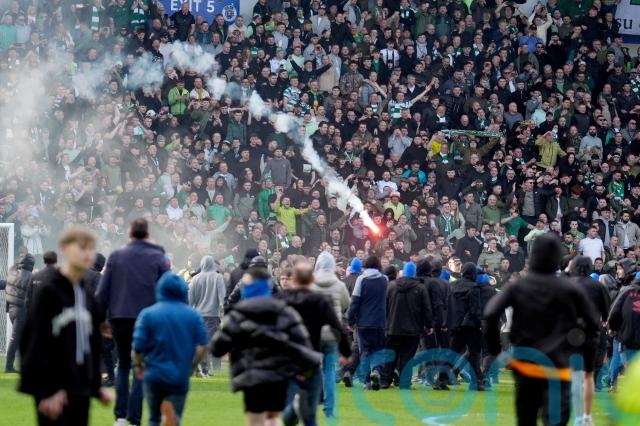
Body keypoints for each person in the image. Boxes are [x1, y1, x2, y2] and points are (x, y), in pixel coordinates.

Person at [484, 234, 601, 426]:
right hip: (558, 367)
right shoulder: (570, 289)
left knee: (526, 419)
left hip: (526, 367)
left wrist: (497, 352)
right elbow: (592, 324)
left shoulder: (518, 286)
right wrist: (584, 356)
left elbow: (490, 314)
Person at [18, 227, 112, 426]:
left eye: (91, 249)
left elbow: (92, 343)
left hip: (80, 387)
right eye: (82, 248)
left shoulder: (85, 292)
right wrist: (46, 391)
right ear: (65, 249)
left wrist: (95, 386)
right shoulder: (49, 289)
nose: (88, 254)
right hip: (53, 390)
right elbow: (32, 342)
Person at [211, 258, 322, 426]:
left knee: (255, 418)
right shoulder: (284, 311)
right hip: (278, 373)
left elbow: (217, 348)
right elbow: (302, 341)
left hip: (251, 374)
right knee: (273, 416)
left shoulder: (238, 315)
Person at [96, 218, 169, 426]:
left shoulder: (116, 256)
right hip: (148, 318)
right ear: (147, 234)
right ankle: (134, 418)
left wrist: (101, 320)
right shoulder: (158, 256)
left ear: (130, 234)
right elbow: (167, 287)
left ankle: (120, 416)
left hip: (120, 317)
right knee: (140, 366)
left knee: (123, 365)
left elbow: (102, 292)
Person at [278, 258, 351, 425]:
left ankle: (295, 407)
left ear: (294, 279)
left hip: (290, 359)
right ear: (311, 279)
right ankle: (306, 407)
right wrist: (345, 352)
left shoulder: (281, 299)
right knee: (310, 414)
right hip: (311, 359)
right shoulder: (319, 301)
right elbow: (337, 326)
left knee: (289, 412)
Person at [132, 271, 208, 426]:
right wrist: (192, 366)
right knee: (174, 419)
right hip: (179, 376)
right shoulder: (193, 315)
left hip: (154, 375)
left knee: (154, 418)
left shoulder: (148, 314)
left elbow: (138, 347)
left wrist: (139, 366)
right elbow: (203, 346)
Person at [567, 256, 611, 425]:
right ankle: (586, 416)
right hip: (591, 332)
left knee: (574, 374)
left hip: (570, 334)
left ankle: (575, 414)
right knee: (588, 375)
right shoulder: (598, 286)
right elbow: (606, 311)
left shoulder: (567, 285)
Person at [382, 261, 433, 389]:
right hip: (412, 329)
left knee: (391, 356)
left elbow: (385, 307)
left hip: (393, 327)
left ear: (403, 272)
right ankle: (404, 382)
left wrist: (386, 323)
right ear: (414, 273)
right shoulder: (420, 288)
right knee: (407, 357)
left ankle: (385, 381)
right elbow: (426, 309)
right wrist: (429, 325)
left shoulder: (391, 286)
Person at [311, 251, 350, 419]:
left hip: (314, 332)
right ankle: (329, 409)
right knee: (329, 371)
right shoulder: (339, 285)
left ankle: (314, 400)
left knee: (315, 368)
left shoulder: (311, 284)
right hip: (333, 334)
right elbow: (346, 303)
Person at [347, 255, 388, 390]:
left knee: (364, 351)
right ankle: (376, 370)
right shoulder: (384, 279)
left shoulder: (361, 279)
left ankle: (367, 382)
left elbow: (355, 302)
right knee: (378, 349)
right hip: (380, 322)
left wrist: (351, 320)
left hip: (363, 322)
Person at [446, 262, 486, 391]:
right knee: (474, 355)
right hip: (470, 326)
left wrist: (450, 323)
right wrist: (479, 324)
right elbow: (475, 309)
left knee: (452, 354)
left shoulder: (452, 285)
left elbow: (449, 306)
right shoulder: (474, 287)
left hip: (456, 325)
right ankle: (476, 382)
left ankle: (440, 379)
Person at [188, 255, 226, 376]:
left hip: (197, 315)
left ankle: (198, 366)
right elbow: (222, 297)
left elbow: (190, 301)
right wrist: (223, 311)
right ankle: (203, 368)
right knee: (207, 343)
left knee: (199, 341)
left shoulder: (195, 279)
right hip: (213, 316)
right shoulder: (218, 277)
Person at [4, 252, 35, 373]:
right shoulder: (30, 276)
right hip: (21, 310)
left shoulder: (12, 273)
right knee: (16, 338)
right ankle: (9, 366)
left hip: (12, 310)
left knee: (19, 337)